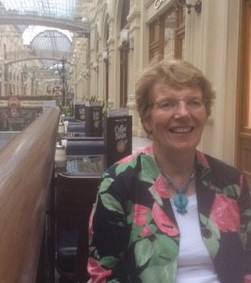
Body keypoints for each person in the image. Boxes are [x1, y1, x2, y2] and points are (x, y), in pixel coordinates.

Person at [87, 60, 251, 283]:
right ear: (147, 121)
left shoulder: (232, 182)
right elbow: (103, 275)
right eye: (167, 104)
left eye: (194, 102)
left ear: (206, 113)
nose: (183, 113)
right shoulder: (118, 183)